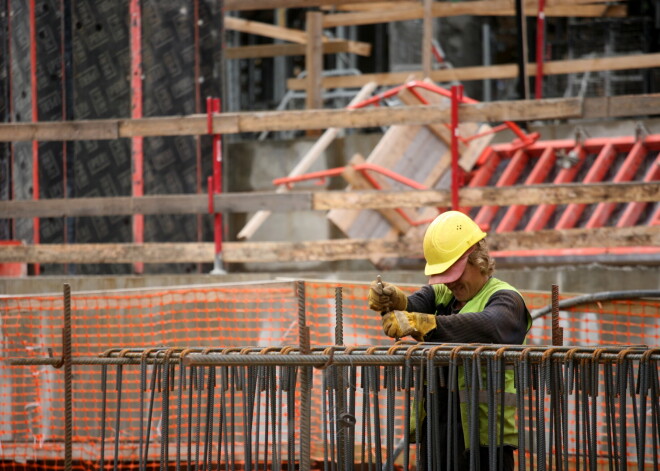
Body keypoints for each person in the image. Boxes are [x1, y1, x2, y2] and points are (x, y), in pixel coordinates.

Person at [368, 210, 532, 471]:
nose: (451, 282)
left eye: (454, 272)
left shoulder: (506, 300)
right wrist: (394, 301)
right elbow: (414, 304)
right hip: (437, 430)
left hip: (485, 440)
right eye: (444, 274)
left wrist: (423, 323)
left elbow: (485, 326)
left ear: (478, 259)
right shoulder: (444, 293)